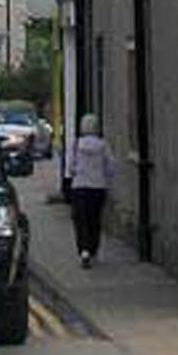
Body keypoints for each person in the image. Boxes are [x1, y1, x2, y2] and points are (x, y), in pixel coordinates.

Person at [65, 113, 115, 269]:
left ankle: (84, 250)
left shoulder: (76, 144)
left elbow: (70, 167)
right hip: (98, 188)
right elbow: (111, 165)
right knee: (94, 220)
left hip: (79, 187)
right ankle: (93, 249)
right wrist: (103, 176)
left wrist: (77, 172)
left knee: (81, 220)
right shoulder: (103, 145)